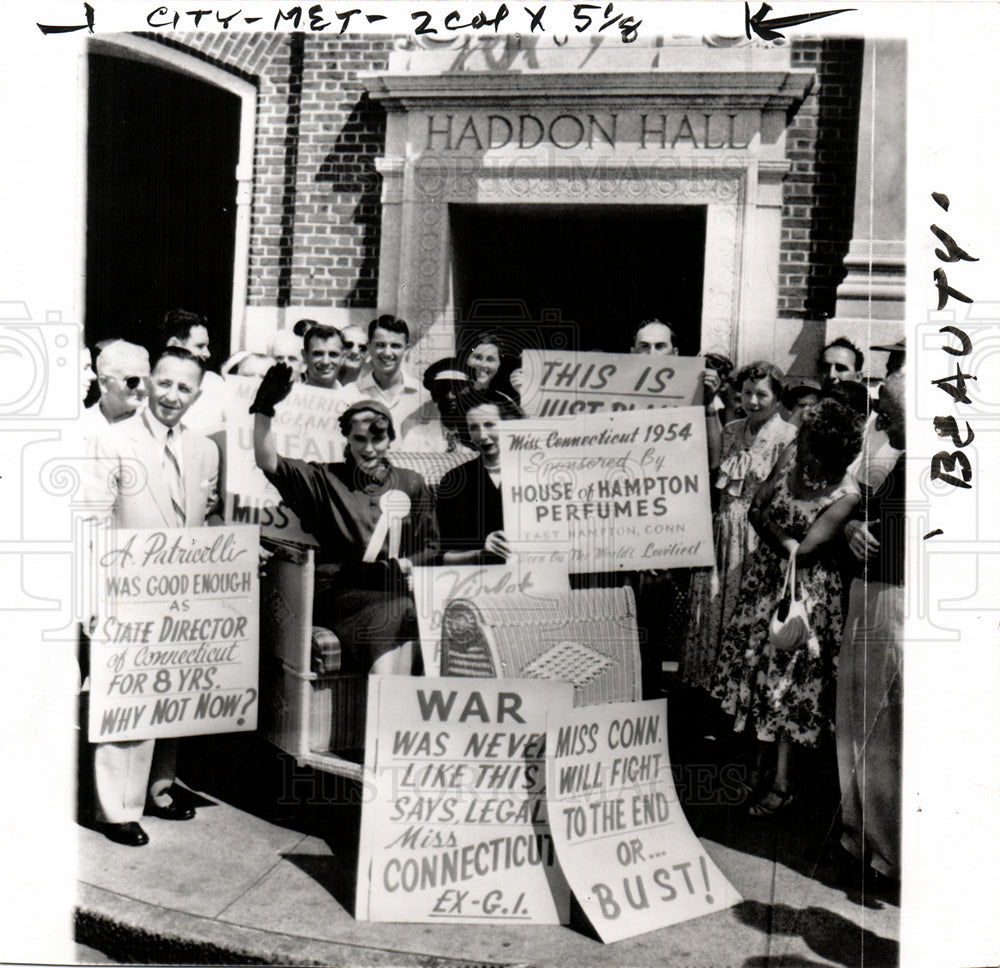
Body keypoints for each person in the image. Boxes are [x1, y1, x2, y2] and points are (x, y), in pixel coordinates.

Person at [87, 347, 220, 846]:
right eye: (163, 383)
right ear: (147, 383)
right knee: (127, 699)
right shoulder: (112, 441)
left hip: (182, 594)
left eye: (185, 388)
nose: (171, 395)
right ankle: (113, 808)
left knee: (171, 693)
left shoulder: (206, 450)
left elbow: (203, 519)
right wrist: (94, 599)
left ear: (197, 395)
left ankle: (159, 788)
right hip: (126, 590)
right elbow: (93, 521)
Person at [712, 397, 862, 816]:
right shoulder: (793, 454)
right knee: (756, 674)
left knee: (788, 686)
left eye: (811, 444)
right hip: (765, 583)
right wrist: (786, 541)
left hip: (804, 599)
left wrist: (779, 535)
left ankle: (783, 783)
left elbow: (808, 552)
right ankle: (761, 766)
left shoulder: (846, 494)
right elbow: (756, 511)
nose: (801, 449)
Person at [251, 365, 439, 674]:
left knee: (407, 610)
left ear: (391, 439)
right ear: (348, 440)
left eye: (378, 440)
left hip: (393, 586)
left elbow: (430, 547)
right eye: (359, 439)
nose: (369, 449)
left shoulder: (411, 481)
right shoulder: (326, 478)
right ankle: (385, 709)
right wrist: (264, 409)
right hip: (342, 592)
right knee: (398, 611)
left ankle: (388, 708)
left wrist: (408, 565)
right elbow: (268, 461)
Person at [683, 362, 797, 695]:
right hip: (722, 533)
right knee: (713, 610)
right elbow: (714, 466)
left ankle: (738, 694)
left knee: (744, 618)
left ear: (777, 398)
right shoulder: (731, 430)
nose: (753, 401)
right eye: (747, 393)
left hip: (755, 538)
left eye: (762, 394)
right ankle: (708, 689)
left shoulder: (786, 436)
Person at [836, 369, 904, 886]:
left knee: (890, 725)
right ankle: (860, 834)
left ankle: (891, 852)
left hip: (903, 601)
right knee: (860, 716)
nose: (879, 416)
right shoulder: (887, 446)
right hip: (870, 593)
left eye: (891, 409)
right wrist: (854, 527)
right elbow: (852, 500)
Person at [436, 389, 522, 564]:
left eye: (490, 424)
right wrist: (479, 553)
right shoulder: (455, 480)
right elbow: (441, 556)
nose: (482, 436)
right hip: (476, 581)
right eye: (474, 427)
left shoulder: (533, 473)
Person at [356, 314, 425, 433]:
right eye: (380, 345)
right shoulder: (353, 393)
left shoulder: (423, 396)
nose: (387, 353)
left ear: (406, 349)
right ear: (369, 347)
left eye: (395, 346)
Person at [165, 308, 226, 435]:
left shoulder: (215, 383)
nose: (207, 354)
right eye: (199, 346)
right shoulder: (152, 384)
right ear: (174, 344)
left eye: (207, 346)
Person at [399, 357, 476, 454]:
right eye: (444, 389)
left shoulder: (481, 435)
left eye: (457, 389)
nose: (451, 396)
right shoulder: (416, 436)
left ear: (468, 394)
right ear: (435, 397)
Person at [80, 340, 151, 443]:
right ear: (104, 383)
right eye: (132, 380)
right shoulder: (81, 425)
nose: (142, 388)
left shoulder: (156, 424)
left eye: (146, 380)